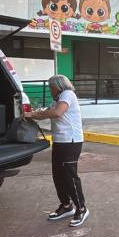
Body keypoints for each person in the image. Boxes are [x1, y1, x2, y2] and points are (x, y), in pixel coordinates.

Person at [24, 75, 88, 227]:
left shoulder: (67, 94)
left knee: (69, 175)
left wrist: (32, 114)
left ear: (58, 87)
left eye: (50, 87)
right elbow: (49, 111)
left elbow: (57, 113)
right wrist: (32, 115)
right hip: (60, 141)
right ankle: (66, 206)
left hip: (71, 141)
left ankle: (82, 208)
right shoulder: (58, 98)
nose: (49, 90)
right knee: (58, 175)